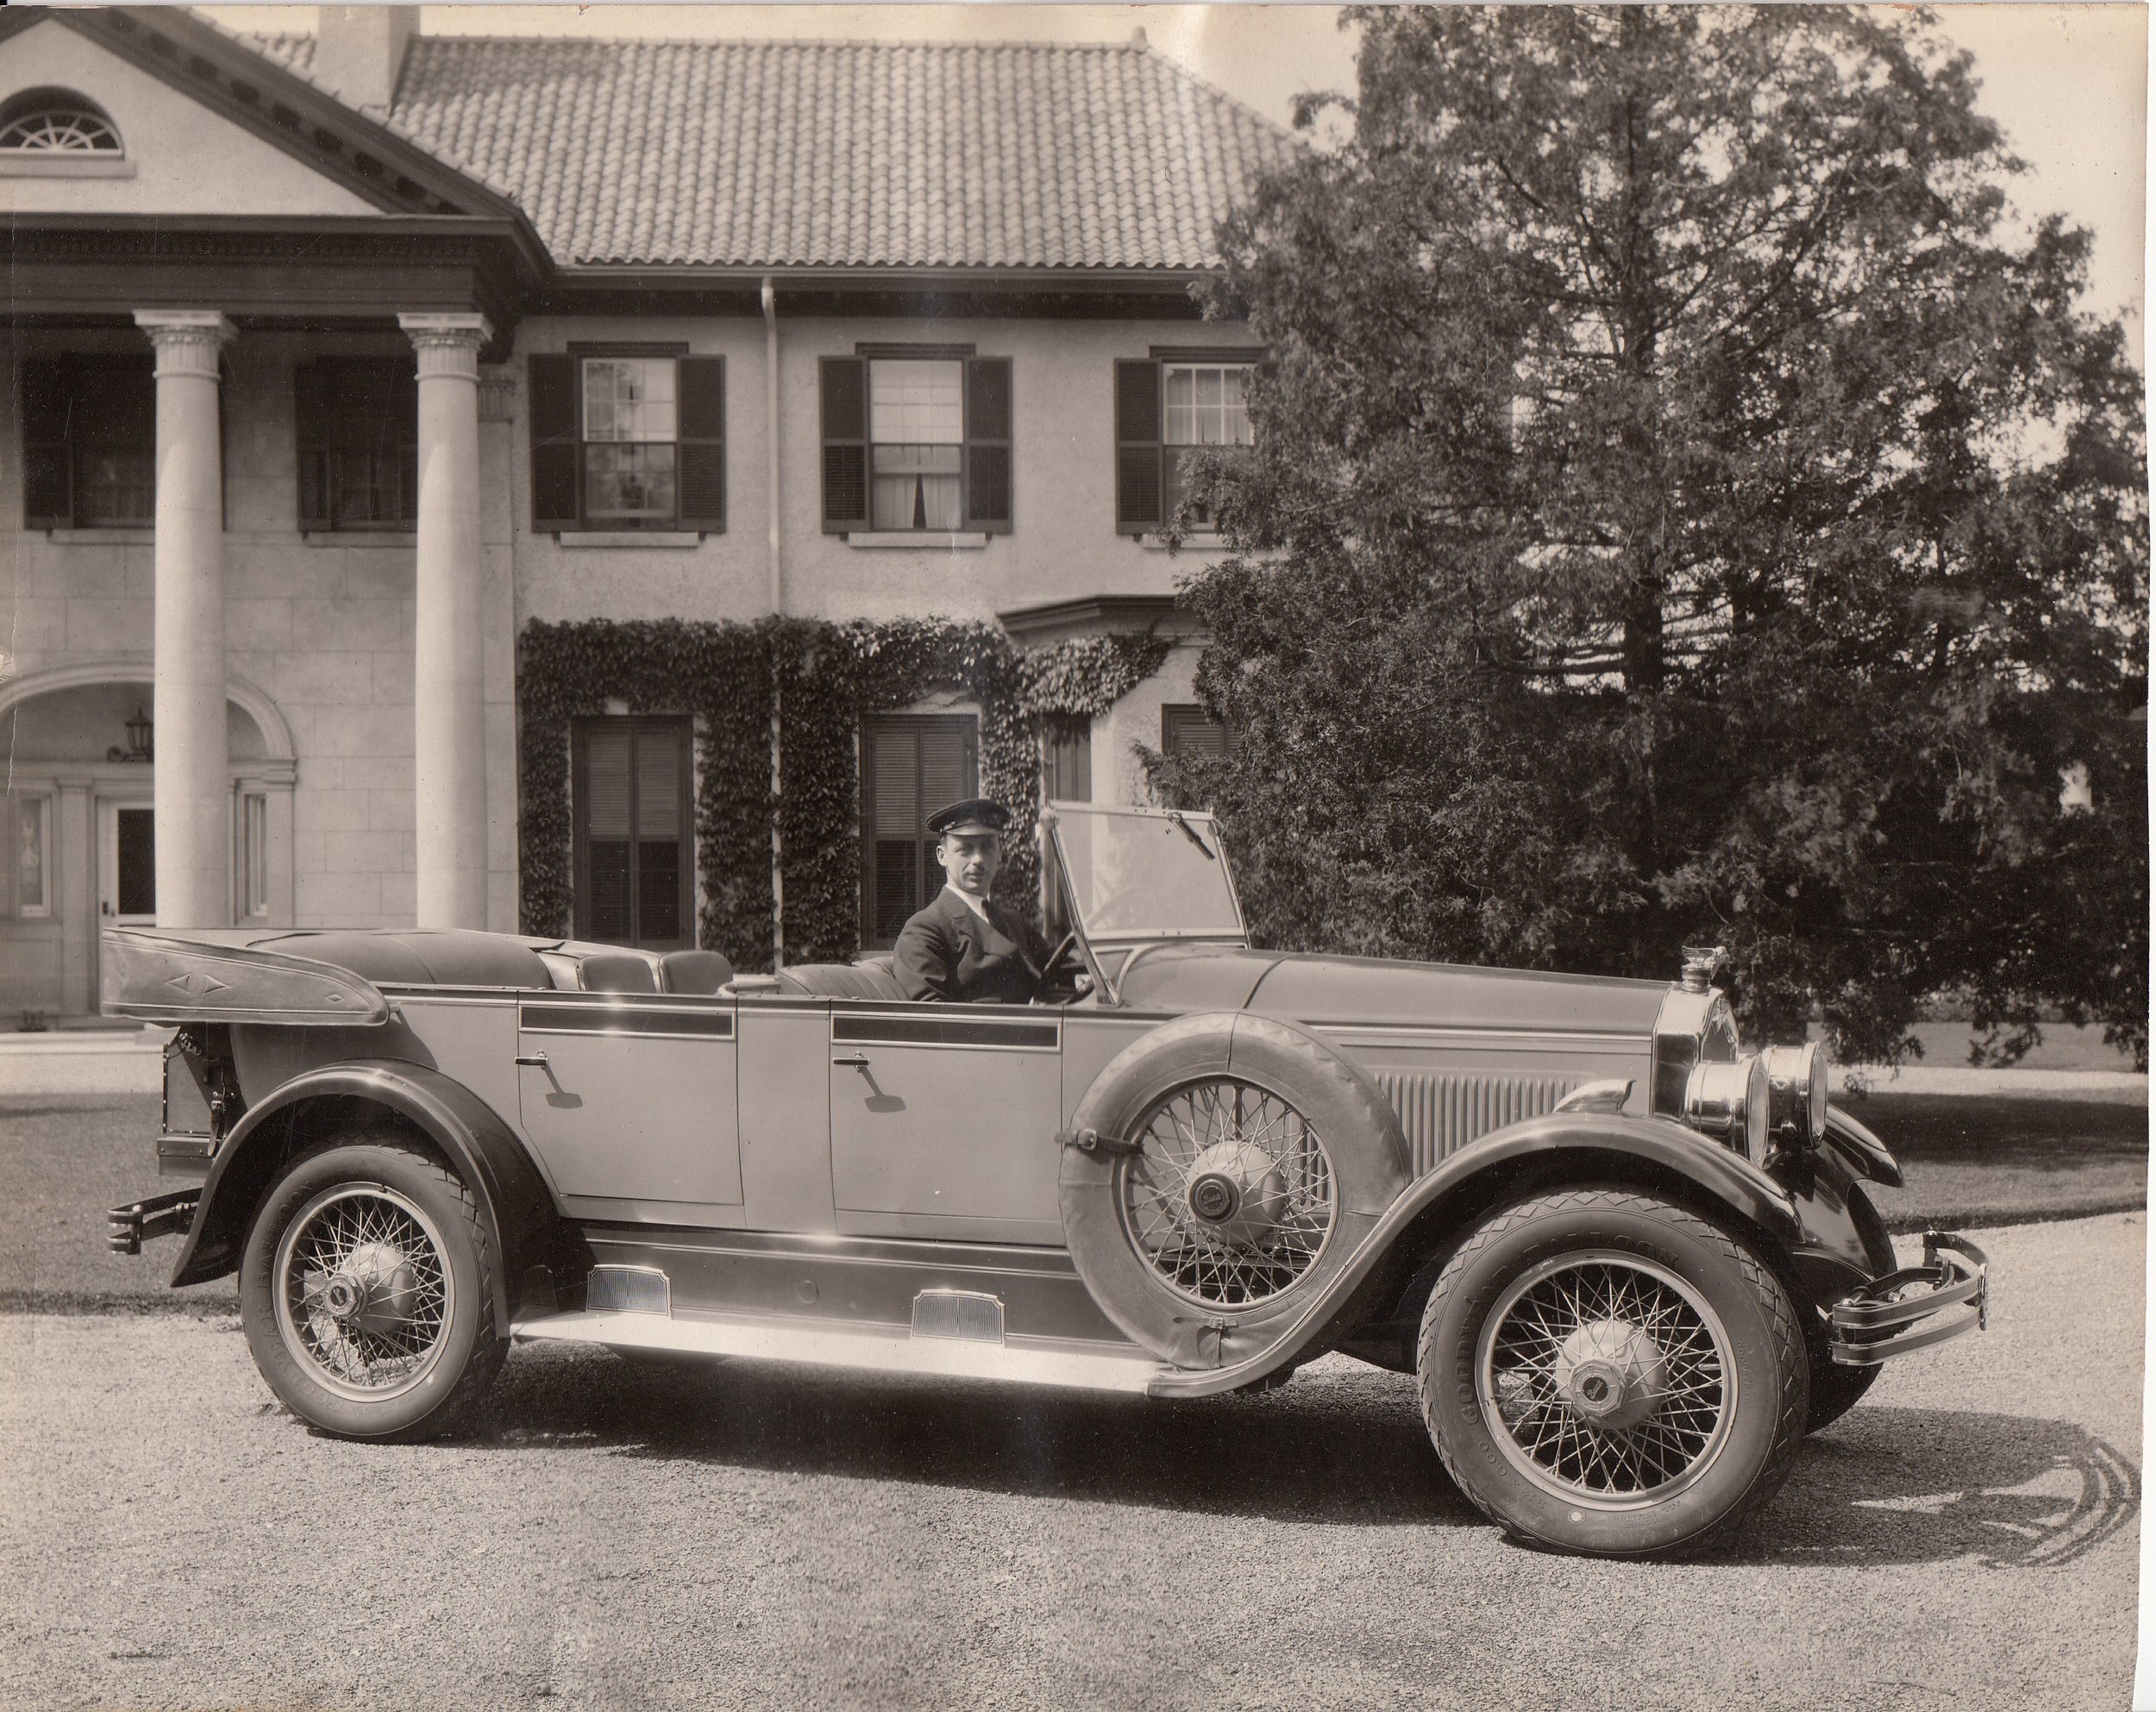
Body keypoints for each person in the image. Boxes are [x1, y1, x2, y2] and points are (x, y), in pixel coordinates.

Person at [893, 798, 1053, 1004]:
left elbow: (1062, 970)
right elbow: (935, 1020)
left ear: (1000, 855)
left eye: (987, 848)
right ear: (942, 857)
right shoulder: (924, 930)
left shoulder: (1014, 922)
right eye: (965, 850)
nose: (978, 859)